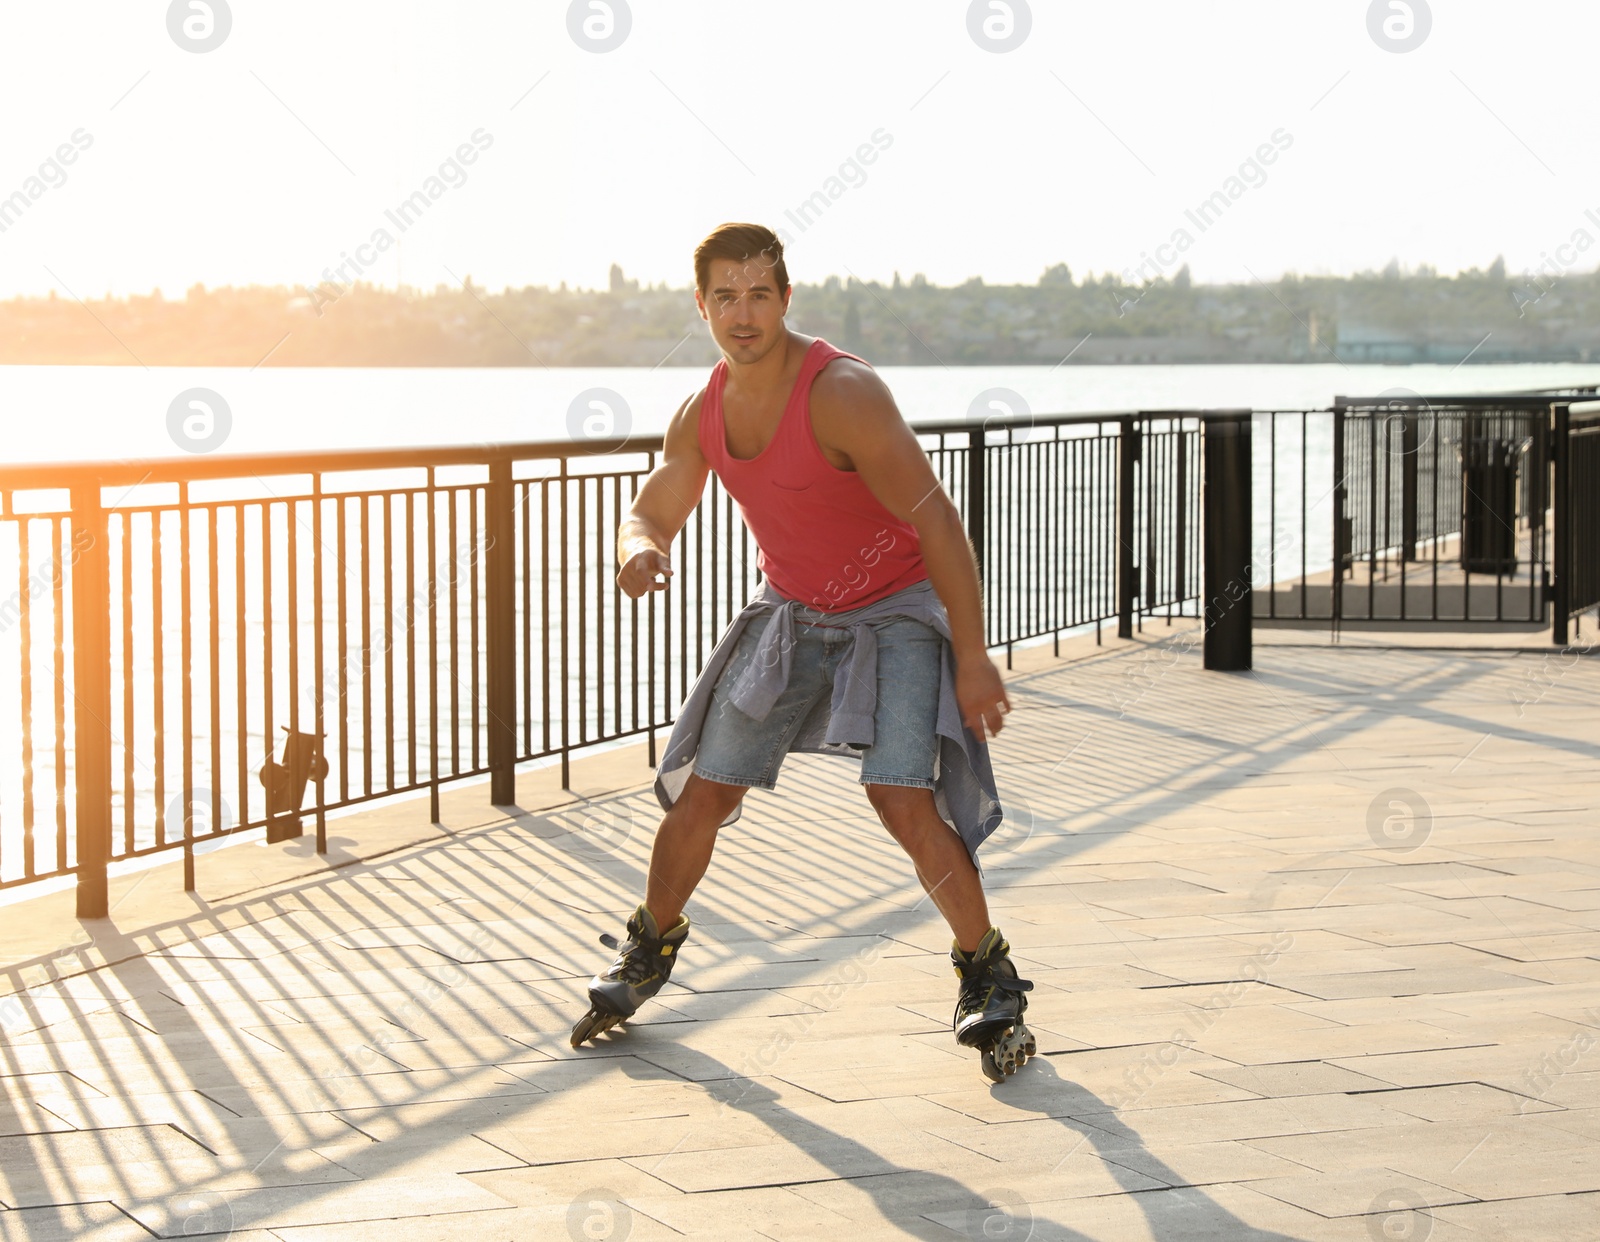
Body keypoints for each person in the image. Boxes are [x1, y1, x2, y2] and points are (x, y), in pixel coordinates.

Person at [570, 223, 1034, 1081]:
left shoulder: (843, 394)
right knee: (706, 787)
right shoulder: (702, 409)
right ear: (701, 305)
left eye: (759, 294)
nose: (742, 314)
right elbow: (658, 500)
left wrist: (970, 655)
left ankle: (987, 974)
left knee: (900, 796)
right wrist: (640, 544)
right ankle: (651, 946)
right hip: (790, 612)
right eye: (724, 297)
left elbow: (937, 520)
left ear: (786, 298)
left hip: (893, 611)